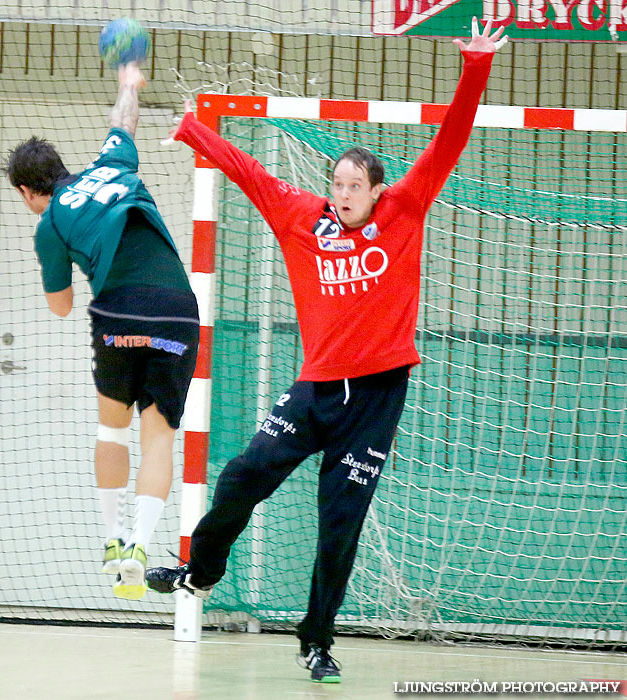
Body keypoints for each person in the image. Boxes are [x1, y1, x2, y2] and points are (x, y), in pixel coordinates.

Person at [146, 18, 506, 683]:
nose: (339, 194)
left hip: (375, 398)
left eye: (350, 187)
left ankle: (317, 640)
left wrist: (476, 66)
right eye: (334, 184)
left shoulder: (403, 209)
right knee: (240, 477)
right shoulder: (300, 216)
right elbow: (251, 174)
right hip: (314, 391)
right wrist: (195, 131)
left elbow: (447, 144)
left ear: (374, 191)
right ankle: (199, 573)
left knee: (337, 524)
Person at [1, 63, 199, 601]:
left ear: (26, 191)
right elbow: (125, 120)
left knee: (113, 430)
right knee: (159, 433)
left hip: (120, 315)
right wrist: (129, 82)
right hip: (179, 311)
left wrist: (58, 256)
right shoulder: (113, 161)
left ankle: (111, 539)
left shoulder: (50, 224)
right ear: (62, 166)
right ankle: (139, 542)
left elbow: (61, 307)